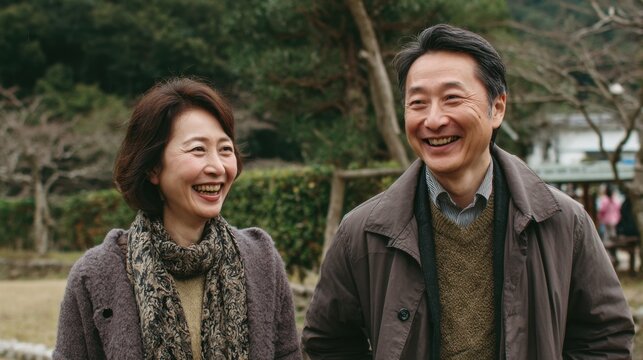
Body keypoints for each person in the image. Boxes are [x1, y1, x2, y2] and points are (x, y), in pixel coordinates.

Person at [302, 24, 634, 359]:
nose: (433, 120)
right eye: (417, 102)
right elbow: (328, 342)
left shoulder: (563, 222)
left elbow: (604, 337)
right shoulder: (362, 232)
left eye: (452, 98)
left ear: (498, 108)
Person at [54, 78, 301, 359]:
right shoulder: (96, 275)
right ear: (153, 168)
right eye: (198, 149)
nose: (217, 167)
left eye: (225, 149)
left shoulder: (261, 260)